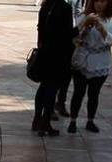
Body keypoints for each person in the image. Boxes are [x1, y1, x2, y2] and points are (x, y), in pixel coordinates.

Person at [67, 0, 112, 134]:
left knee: (94, 94)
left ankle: (90, 120)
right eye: (96, 1)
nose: (99, 5)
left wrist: (101, 28)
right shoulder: (84, 17)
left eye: (103, 1)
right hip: (82, 60)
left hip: (100, 61)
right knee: (78, 92)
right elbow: (74, 38)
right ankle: (73, 120)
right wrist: (85, 26)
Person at [33, 0, 78, 136]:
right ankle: (45, 122)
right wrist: (81, 27)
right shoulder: (65, 8)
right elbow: (67, 34)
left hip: (45, 53)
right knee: (52, 89)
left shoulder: (45, 6)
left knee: (43, 87)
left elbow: (40, 29)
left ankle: (37, 119)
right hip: (59, 56)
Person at [54, 0, 85, 119]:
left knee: (66, 76)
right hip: (59, 42)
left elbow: (77, 12)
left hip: (70, 41)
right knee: (54, 79)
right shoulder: (55, 5)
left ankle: (60, 102)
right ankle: (50, 108)